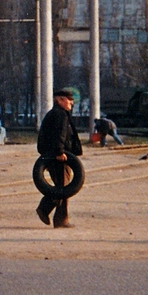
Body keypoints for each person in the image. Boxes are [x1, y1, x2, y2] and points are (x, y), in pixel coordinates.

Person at [36, 88, 82, 228]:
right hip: (58, 157)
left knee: (62, 188)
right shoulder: (60, 115)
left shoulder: (57, 113)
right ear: (60, 100)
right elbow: (59, 135)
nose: (71, 103)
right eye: (69, 100)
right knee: (63, 188)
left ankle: (50, 213)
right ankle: (54, 215)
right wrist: (59, 152)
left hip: (55, 156)